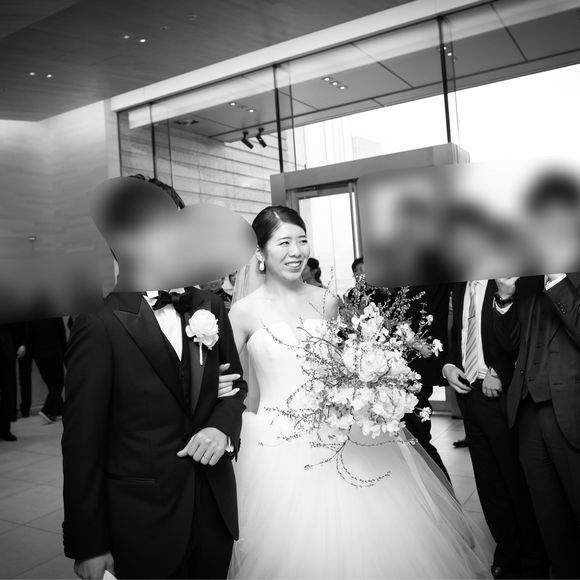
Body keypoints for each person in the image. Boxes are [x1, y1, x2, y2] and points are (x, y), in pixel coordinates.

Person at [228, 205, 491, 579]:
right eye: (284, 242)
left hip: (340, 430)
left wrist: (371, 382)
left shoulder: (328, 301)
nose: (296, 251)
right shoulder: (242, 312)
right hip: (274, 441)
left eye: (302, 240)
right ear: (260, 252)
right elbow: (229, 378)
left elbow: (351, 361)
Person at [62, 176, 247, 580]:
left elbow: (235, 387)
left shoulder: (209, 306)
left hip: (212, 508)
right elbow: (81, 445)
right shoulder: (99, 323)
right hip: (143, 521)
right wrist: (88, 544)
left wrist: (221, 426)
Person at [493, 173, 580, 579]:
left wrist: (558, 279)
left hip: (572, 414)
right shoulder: (526, 276)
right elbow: (510, 344)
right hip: (528, 414)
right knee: (550, 520)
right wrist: (505, 297)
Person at [444, 280, 548, 579]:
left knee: (516, 482)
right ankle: (507, 553)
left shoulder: (512, 280)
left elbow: (524, 333)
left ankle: (534, 561)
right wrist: (449, 365)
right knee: (489, 484)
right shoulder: (460, 285)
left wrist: (499, 371)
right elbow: (459, 331)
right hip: (469, 394)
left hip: (503, 395)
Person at [14, 316, 67, 422]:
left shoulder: (31, 319)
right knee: (58, 382)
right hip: (54, 353)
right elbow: (62, 336)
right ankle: (47, 411)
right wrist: (66, 356)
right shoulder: (55, 317)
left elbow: (29, 337)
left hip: (39, 356)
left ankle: (59, 410)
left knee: (51, 384)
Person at [0, 324, 18, 441]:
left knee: (8, 394)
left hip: (6, 357)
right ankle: (4, 430)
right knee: (7, 394)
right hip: (6, 353)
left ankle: (5, 430)